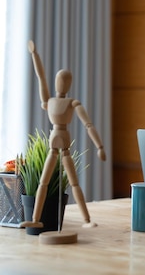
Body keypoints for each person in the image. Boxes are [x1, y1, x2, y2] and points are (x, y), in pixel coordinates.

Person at [20, 40, 107, 230]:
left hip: (65, 145)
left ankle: (86, 219)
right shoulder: (49, 101)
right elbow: (41, 77)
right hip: (53, 145)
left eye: (64, 80)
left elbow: (88, 124)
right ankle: (36, 219)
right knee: (43, 182)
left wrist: (99, 146)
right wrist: (34, 55)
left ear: (69, 83)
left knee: (74, 183)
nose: (61, 83)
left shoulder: (72, 103)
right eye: (60, 79)